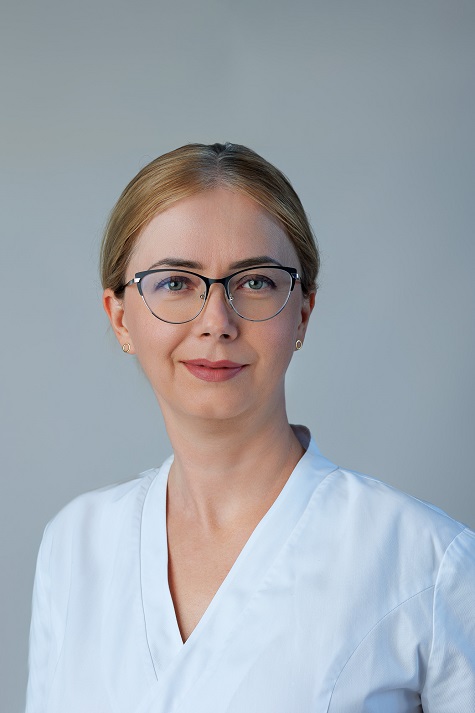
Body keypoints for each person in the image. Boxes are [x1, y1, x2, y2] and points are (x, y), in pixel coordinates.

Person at [26, 142, 475, 713]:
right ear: (120, 319)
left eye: (256, 282)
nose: (217, 322)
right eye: (175, 283)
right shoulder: (74, 546)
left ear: (303, 312)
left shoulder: (427, 564)